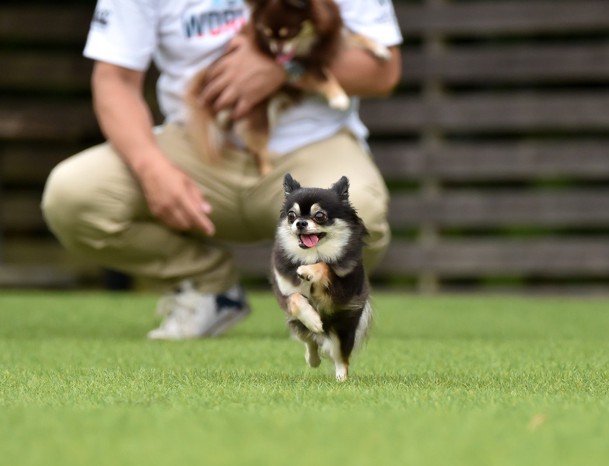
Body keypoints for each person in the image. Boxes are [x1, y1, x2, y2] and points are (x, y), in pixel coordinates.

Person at [41, 0, 402, 340]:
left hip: (309, 144)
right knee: (74, 195)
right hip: (196, 143)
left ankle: (320, 305)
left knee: (357, 213)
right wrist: (151, 168)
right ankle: (209, 287)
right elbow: (114, 79)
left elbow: (382, 70)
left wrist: (284, 67)